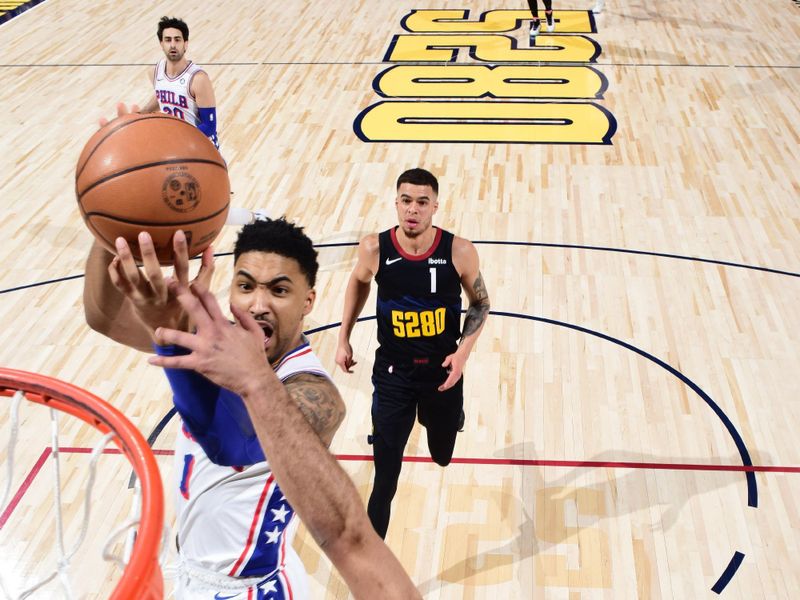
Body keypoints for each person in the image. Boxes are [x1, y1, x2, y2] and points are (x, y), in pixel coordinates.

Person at [83, 220, 419, 598]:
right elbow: (103, 316)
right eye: (245, 287)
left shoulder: (315, 395)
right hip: (192, 571)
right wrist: (110, 222)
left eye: (279, 290)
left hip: (253, 588)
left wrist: (175, 338)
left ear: (308, 301)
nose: (258, 306)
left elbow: (232, 444)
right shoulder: (213, 343)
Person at [335, 168, 491, 539]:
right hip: (393, 374)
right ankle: (375, 573)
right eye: (406, 201)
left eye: (422, 202)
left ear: (435, 206)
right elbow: (357, 282)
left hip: (442, 372)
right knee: (385, 478)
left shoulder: (459, 250)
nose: (413, 210)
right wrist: (344, 337)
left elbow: (481, 303)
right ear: (396, 203)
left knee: (441, 455)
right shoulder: (374, 248)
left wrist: (462, 354)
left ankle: (446, 415)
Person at [138, 16, 219, 149]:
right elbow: (163, 96)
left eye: (177, 39)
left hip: (203, 151)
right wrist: (140, 114)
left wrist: (179, 140)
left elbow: (209, 126)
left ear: (185, 44)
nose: (173, 45)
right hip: (176, 148)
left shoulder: (198, 79)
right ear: (161, 44)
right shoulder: (155, 72)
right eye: (168, 40)